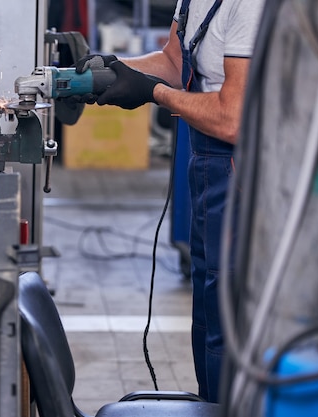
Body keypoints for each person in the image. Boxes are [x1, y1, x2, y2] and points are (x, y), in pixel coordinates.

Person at [70, 0, 264, 403]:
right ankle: (212, 404)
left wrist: (153, 93)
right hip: (207, 165)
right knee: (208, 312)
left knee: (231, 320)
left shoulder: (250, 5)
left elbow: (233, 117)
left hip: (244, 175)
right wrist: (113, 70)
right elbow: (174, 61)